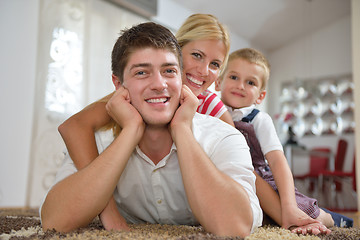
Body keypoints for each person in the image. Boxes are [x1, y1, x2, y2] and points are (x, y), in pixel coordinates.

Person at [40, 22, 262, 237]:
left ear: (180, 76)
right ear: (118, 85)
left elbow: (235, 226)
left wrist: (182, 130)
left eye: (169, 71)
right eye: (141, 73)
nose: (159, 84)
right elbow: (55, 222)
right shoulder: (97, 140)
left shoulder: (223, 136)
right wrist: (130, 131)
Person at [215, 48, 353, 234]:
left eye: (250, 82)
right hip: (231, 181)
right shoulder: (211, 114)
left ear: (260, 96)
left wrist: (288, 204)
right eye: (233, 77)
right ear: (218, 82)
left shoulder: (259, 120)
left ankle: (336, 219)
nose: (240, 86)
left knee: (303, 210)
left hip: (263, 180)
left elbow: (278, 161)